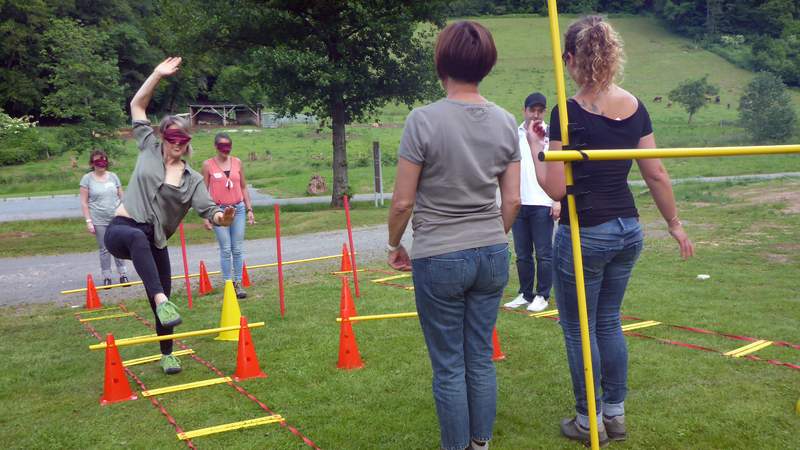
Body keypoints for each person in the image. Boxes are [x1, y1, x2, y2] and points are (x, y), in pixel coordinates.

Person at [527, 16, 694, 445]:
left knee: (578, 329)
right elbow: (655, 174)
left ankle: (589, 420)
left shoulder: (567, 111)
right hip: (627, 229)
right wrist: (674, 224)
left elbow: (555, 190)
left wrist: (534, 147)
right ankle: (614, 415)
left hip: (587, 231)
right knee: (608, 322)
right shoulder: (636, 106)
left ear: (571, 59)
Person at [387, 21, 521, 450]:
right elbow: (513, 201)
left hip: (439, 254)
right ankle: (480, 444)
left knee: (449, 364)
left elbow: (403, 203)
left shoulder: (422, 120)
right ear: (487, 63)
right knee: (479, 357)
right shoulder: (505, 121)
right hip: (492, 252)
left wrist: (394, 244)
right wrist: (489, 236)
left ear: (441, 62)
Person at [104, 57, 235, 375]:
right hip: (122, 229)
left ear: (188, 143)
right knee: (137, 238)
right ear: (163, 137)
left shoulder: (193, 179)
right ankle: (161, 298)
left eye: (183, 140)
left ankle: (167, 354)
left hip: (156, 241)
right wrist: (157, 75)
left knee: (164, 301)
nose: (177, 145)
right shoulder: (148, 147)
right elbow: (137, 105)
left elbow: (210, 210)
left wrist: (223, 218)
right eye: (172, 138)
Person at [503, 93, 560, 313]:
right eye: (532, 110)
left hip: (543, 201)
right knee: (523, 253)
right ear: (524, 110)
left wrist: (557, 200)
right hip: (519, 202)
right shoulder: (515, 134)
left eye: (540, 110)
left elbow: (559, 168)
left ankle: (542, 295)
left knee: (544, 253)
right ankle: (525, 293)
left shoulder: (549, 135)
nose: (536, 114)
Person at [202, 133, 256, 299]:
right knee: (225, 249)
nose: (225, 150)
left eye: (228, 146)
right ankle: (227, 283)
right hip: (218, 211)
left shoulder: (237, 162)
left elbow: (244, 186)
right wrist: (206, 216)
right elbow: (203, 192)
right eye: (222, 146)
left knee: (237, 248)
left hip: (238, 209)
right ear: (216, 147)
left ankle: (238, 283)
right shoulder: (208, 165)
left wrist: (249, 209)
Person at [79, 150, 129, 286]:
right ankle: (107, 276)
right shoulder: (87, 179)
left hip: (116, 217)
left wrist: (125, 213)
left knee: (118, 245)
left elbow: (122, 196)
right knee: (105, 248)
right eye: (98, 162)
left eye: (104, 161)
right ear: (92, 163)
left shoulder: (113, 176)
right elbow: (84, 202)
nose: (102, 164)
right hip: (98, 219)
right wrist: (88, 221)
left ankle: (123, 274)